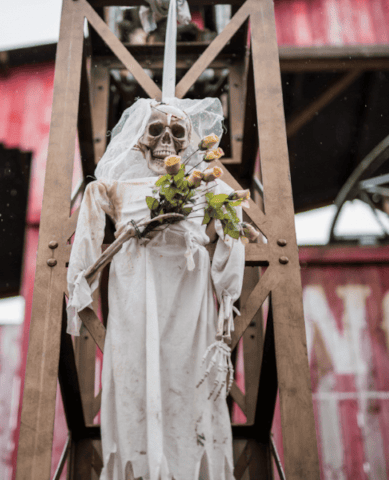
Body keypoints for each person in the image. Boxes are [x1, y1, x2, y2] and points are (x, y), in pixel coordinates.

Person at [67, 98, 244, 480]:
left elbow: (232, 224)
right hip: (134, 284)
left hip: (187, 285)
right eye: (156, 130)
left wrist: (228, 294)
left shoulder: (205, 186)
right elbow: (88, 231)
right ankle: (141, 465)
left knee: (187, 373)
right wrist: (79, 285)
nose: (166, 140)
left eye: (177, 133)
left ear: (188, 143)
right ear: (137, 139)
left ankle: (190, 465)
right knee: (133, 371)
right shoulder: (111, 188)